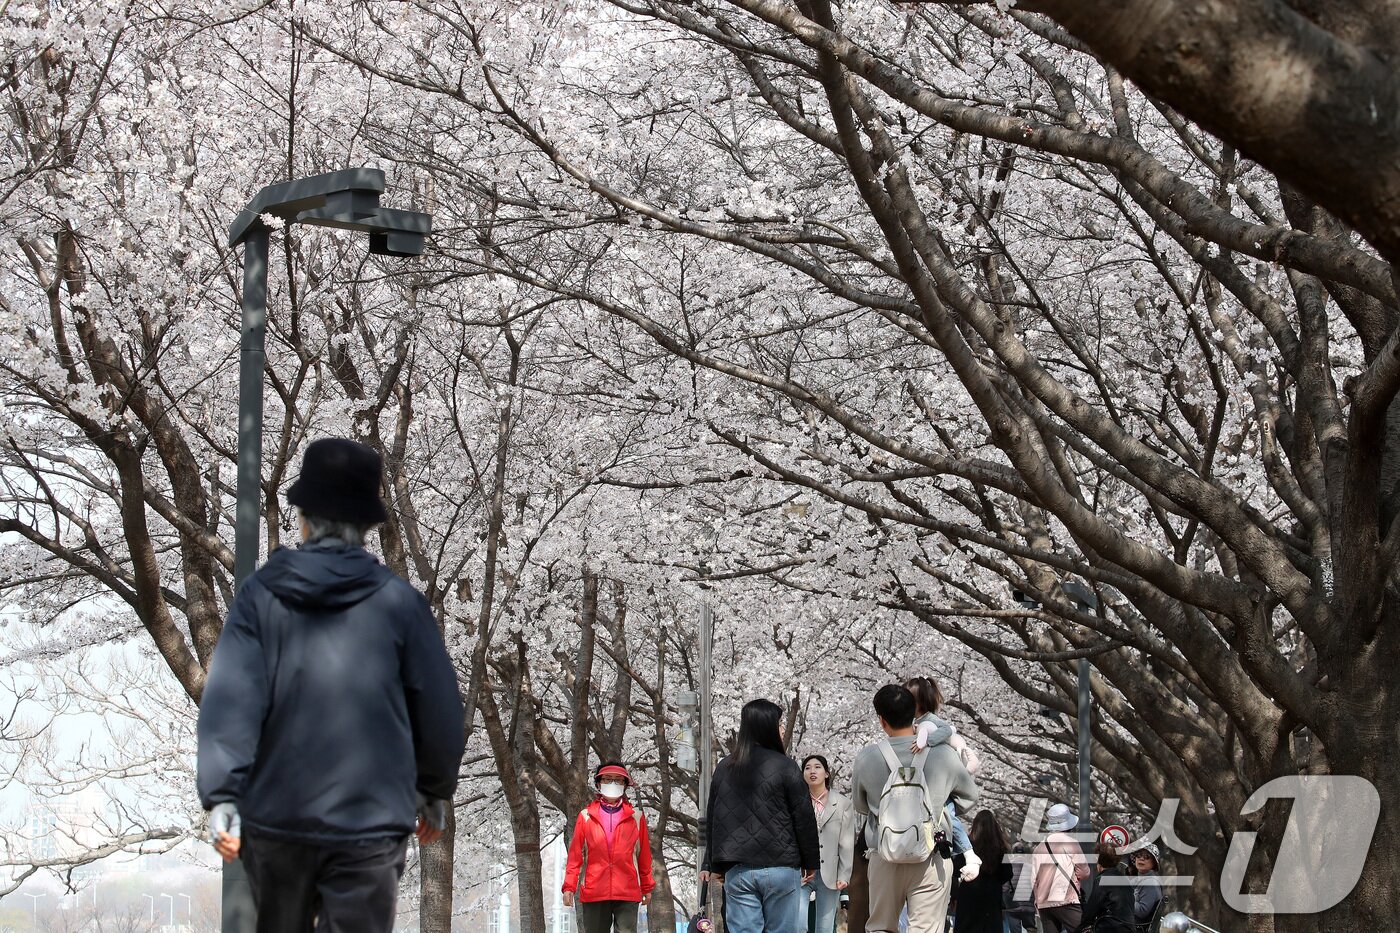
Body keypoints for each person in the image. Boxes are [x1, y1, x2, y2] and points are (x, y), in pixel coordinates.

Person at [197, 438, 466, 933]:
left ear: (302, 517)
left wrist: (223, 795)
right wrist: (432, 789)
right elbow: (441, 709)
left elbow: (230, 701)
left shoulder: (259, 597)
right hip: (370, 820)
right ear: (366, 526)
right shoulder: (401, 605)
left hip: (278, 816)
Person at [851, 684, 978, 933]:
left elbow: (860, 805)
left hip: (884, 854)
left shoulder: (867, 757)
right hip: (931, 856)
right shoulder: (943, 754)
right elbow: (969, 798)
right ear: (915, 715)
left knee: (880, 928)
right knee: (926, 929)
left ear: (882, 720)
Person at [702, 699, 821, 933]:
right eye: (779, 724)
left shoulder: (725, 767)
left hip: (739, 868)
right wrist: (810, 862)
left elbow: (714, 817)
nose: (783, 729)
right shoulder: (786, 766)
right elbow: (804, 817)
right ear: (767, 726)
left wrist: (715, 864)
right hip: (782, 868)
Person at [563, 762, 655, 933]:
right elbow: (575, 856)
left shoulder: (636, 818)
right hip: (594, 889)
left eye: (619, 780)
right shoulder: (585, 817)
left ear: (626, 785)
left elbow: (644, 856)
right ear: (598, 783)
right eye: (607, 779)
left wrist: (647, 887)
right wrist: (569, 886)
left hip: (627, 890)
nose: (613, 784)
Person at [905, 677, 982, 883]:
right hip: (939, 781)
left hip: (948, 780)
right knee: (945, 820)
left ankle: (969, 854)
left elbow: (948, 730)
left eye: (909, 698)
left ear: (920, 702)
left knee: (948, 818)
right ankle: (963, 857)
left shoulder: (929, 720)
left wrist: (927, 742)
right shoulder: (917, 722)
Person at [803, 755, 855, 933]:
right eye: (807, 768)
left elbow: (846, 842)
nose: (812, 771)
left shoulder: (843, 803)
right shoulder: (797, 802)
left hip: (830, 873)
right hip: (801, 873)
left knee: (824, 928)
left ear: (826, 773)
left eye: (817, 767)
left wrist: (844, 874)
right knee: (798, 925)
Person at [1032, 804, 1091, 933]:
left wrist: (1038, 903)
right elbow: (1084, 872)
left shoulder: (1038, 848)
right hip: (1066, 900)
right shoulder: (1070, 842)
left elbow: (1034, 880)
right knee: (1083, 930)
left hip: (1044, 903)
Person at [952, 812, 1013, 933]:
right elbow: (1007, 873)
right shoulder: (1000, 848)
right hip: (992, 895)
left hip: (969, 893)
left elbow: (955, 869)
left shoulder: (968, 847)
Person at [1076, 844, 1135, 932]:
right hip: (1128, 928)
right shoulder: (1124, 878)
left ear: (1097, 859)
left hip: (1110, 928)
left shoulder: (1102, 879)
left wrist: (1079, 928)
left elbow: (1092, 909)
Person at [1127, 844, 1163, 931]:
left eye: (1147, 856)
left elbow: (1142, 911)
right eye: (1139, 855)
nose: (1141, 858)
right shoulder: (1138, 880)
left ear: (1153, 862)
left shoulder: (1150, 883)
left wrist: (1124, 899)